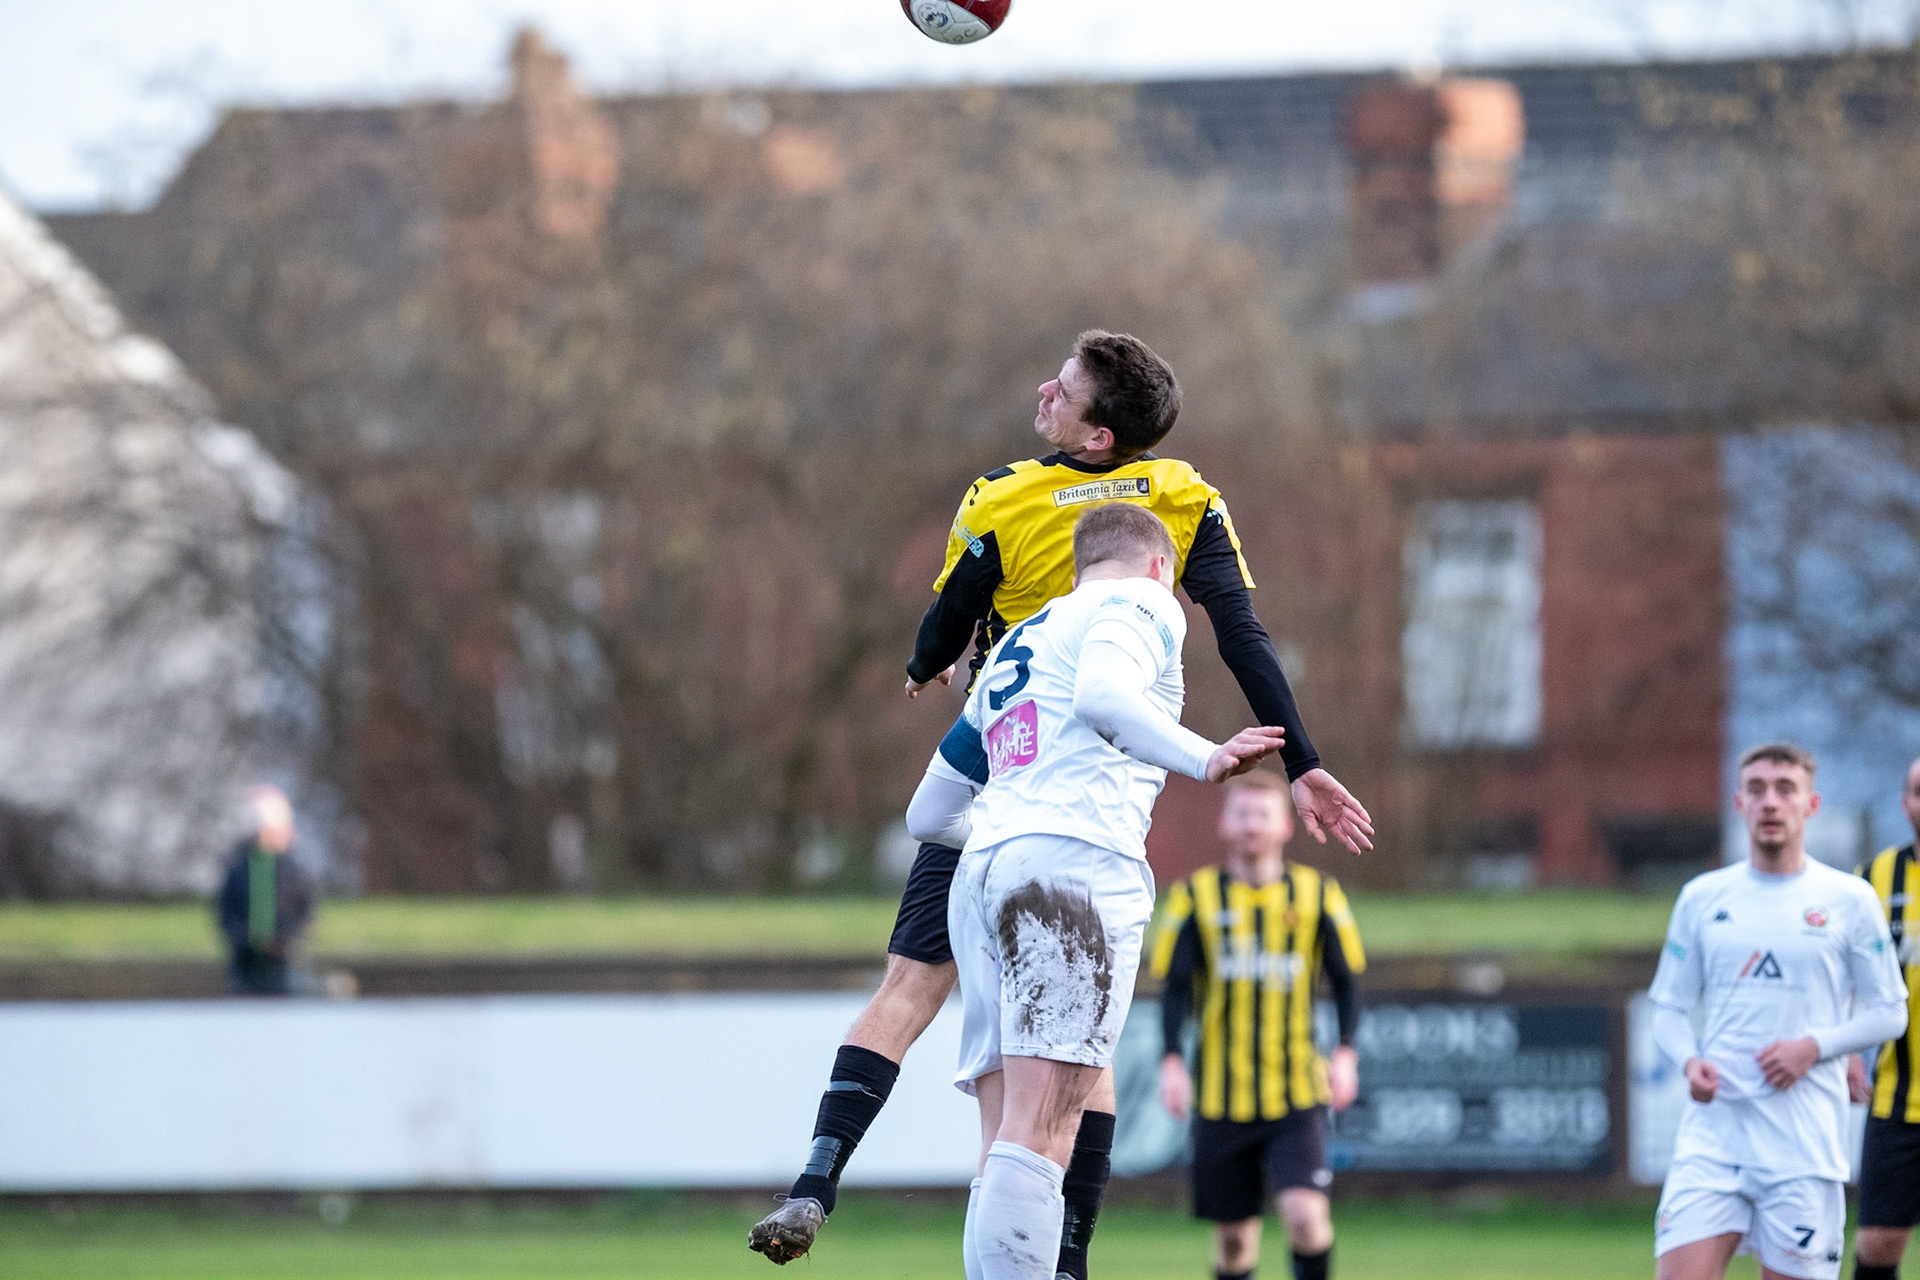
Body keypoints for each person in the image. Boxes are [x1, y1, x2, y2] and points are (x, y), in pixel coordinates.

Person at [751, 329, 1372, 1271]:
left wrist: (928, 666)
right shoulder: (1182, 500)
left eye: (1065, 390)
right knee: (1070, 1081)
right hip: (1080, 827)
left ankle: (817, 1178)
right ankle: (1067, 1257)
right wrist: (1291, 760)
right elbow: (1241, 634)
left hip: (992, 798)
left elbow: (940, 631)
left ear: (1095, 438)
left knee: (921, 1004)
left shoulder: (998, 497)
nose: (1044, 390)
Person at [949, 501, 1285, 1280]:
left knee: (1006, 1129)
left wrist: (1007, 839)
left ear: (1075, 566)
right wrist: (1204, 758)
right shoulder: (1141, 601)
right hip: (1069, 865)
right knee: (1041, 1128)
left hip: (982, 868)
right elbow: (1105, 697)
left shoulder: (1020, 640)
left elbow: (930, 807)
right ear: (1162, 565)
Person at [1648, 743, 1908, 1280]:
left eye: (1785, 789)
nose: (1771, 802)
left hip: (1802, 1149)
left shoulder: (1849, 899)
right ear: (1739, 803)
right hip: (1713, 1143)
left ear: (1811, 805)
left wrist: (1814, 1047)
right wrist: (1687, 1061)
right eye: (1758, 790)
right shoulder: (1702, 896)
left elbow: (1890, 1013)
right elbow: (1669, 1007)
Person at [1153, 770, 1364, 1280]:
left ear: (1286, 826)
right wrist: (1172, 1060)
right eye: (1243, 814)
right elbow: (1175, 988)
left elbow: (1347, 979)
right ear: (1226, 823)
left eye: (1263, 815)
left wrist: (1346, 1052)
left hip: (1296, 1093)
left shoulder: (1319, 894)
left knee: (1306, 1218)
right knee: (1232, 1243)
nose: (1253, 825)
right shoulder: (1192, 898)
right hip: (1222, 1096)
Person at [1850, 755, 1920, 1280]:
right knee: (1876, 1246)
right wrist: (1850, 1050)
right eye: (1919, 791)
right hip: (1896, 1098)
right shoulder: (1870, 880)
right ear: (1905, 803)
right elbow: (1845, 976)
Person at [215, 786, 317, 996]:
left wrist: (283, 939)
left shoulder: (293, 872)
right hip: (245, 959)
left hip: (282, 959)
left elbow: (304, 911)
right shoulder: (239, 871)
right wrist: (247, 940)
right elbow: (226, 913)